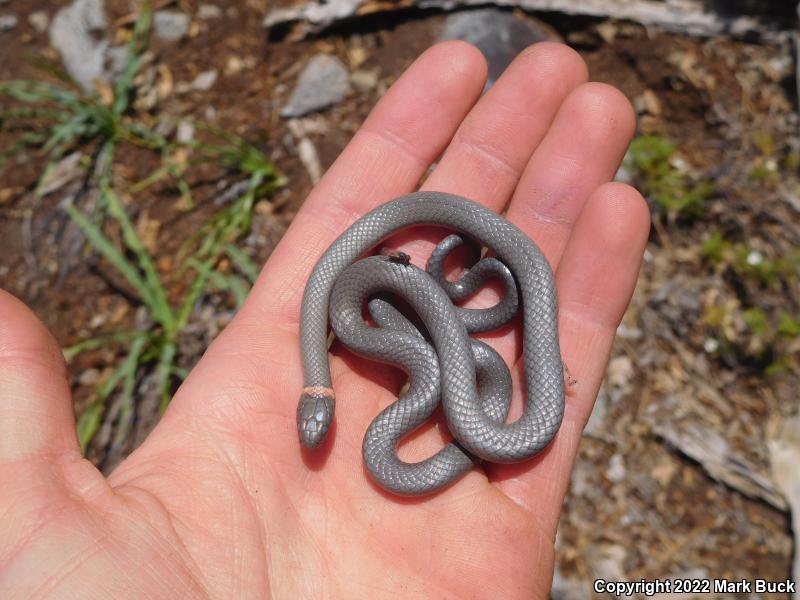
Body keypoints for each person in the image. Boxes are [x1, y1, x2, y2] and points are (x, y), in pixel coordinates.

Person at [0, 41, 649, 598]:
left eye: (316, 424)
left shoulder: (397, 350)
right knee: (453, 353)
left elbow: (439, 368)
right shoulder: (359, 326)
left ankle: (476, 284)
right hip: (432, 340)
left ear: (320, 405)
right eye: (318, 424)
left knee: (490, 315)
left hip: (446, 337)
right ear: (322, 402)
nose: (317, 433)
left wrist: (449, 315)